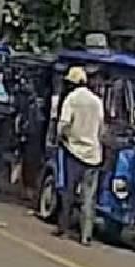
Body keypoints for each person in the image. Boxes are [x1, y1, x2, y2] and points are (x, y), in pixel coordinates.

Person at [54, 66, 104, 245]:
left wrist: (61, 137)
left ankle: (63, 228)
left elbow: (63, 123)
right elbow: (101, 129)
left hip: (74, 151)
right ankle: (86, 236)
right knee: (88, 198)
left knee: (68, 192)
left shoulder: (72, 99)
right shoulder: (97, 101)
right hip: (93, 155)